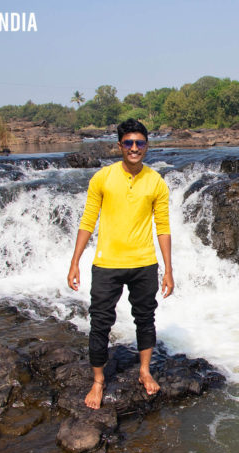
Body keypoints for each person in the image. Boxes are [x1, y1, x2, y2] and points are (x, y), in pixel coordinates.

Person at [67, 118, 174, 410]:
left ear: (147, 146)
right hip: (107, 264)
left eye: (139, 143)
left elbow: (162, 227)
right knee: (100, 322)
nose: (134, 148)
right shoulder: (102, 178)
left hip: (144, 263)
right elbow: (88, 221)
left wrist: (169, 270)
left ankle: (144, 370)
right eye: (129, 143)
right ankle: (99, 381)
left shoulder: (156, 181)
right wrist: (75, 261)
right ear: (120, 146)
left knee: (145, 317)